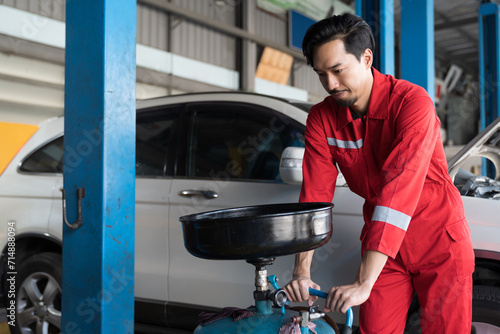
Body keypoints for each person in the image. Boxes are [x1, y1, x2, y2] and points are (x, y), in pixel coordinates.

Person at [283, 13, 475, 333]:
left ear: (366, 57)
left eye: (337, 70)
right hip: (384, 249)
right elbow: (314, 198)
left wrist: (362, 282)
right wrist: (301, 271)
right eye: (320, 74)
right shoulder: (321, 119)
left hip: (439, 239)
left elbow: (398, 190)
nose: (330, 84)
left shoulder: (412, 103)